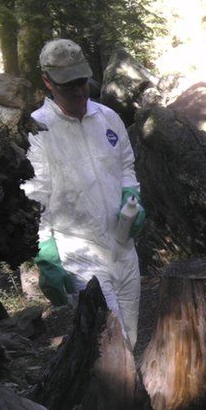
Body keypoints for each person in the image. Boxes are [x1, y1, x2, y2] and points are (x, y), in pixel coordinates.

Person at [23, 39, 145, 348]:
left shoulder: (108, 118)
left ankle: (132, 394)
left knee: (130, 338)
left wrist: (132, 194)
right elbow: (35, 197)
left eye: (82, 82)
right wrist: (46, 254)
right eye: (68, 86)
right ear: (48, 81)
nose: (79, 91)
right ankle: (112, 394)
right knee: (108, 342)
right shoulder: (38, 130)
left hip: (122, 245)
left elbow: (126, 164)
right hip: (79, 253)